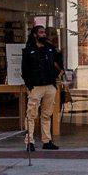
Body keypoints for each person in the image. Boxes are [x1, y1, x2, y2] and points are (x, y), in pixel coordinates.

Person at [20, 23, 65, 151]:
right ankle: (30, 142)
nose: (44, 34)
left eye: (44, 32)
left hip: (50, 86)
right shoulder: (28, 50)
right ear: (35, 35)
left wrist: (55, 78)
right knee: (31, 114)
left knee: (47, 114)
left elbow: (59, 64)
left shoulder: (50, 48)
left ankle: (47, 141)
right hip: (36, 87)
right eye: (41, 32)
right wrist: (30, 85)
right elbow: (25, 70)